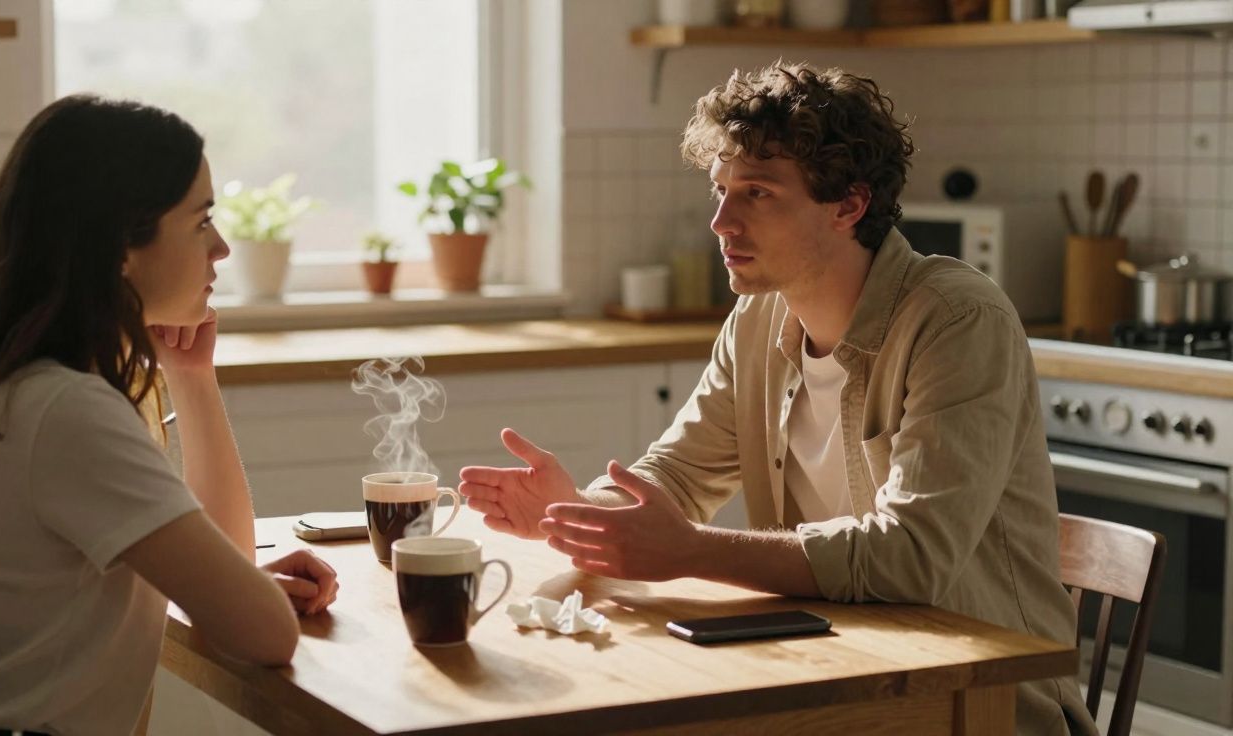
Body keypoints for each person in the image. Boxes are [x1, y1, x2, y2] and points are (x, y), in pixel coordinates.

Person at [459, 62, 1095, 735]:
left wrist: (690, 551)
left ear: (848, 206)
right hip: (837, 670)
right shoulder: (759, 320)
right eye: (720, 189)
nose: (720, 220)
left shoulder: (957, 321)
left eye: (757, 193)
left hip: (979, 704)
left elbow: (912, 556)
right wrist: (582, 515)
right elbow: (675, 475)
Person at [0, 95, 339, 736]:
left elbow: (228, 564)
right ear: (120, 248)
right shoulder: (66, 410)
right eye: (201, 222)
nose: (222, 248)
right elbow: (265, 633)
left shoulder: (29, 388)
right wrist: (245, 594)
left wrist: (192, 378)